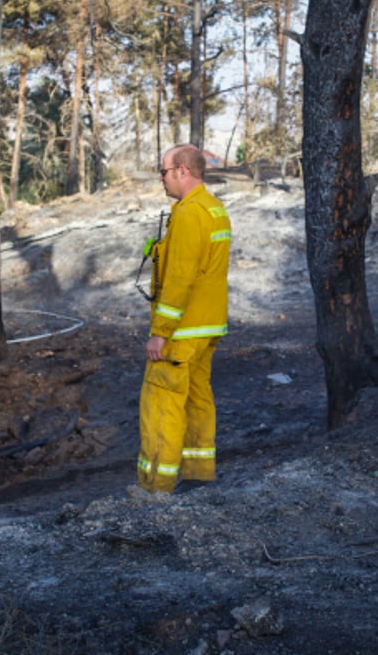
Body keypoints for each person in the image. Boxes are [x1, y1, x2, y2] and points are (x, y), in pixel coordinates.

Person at [137, 144, 231, 493]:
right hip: (207, 328)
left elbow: (180, 277)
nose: (161, 178)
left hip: (181, 333)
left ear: (183, 171)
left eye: (163, 171)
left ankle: (154, 486)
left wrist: (161, 332)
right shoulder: (214, 208)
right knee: (197, 400)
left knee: (161, 404)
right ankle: (198, 475)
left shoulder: (191, 213)